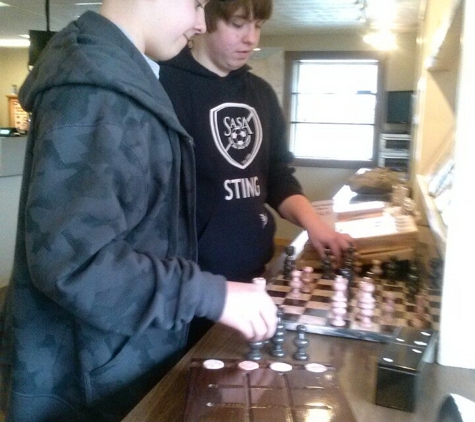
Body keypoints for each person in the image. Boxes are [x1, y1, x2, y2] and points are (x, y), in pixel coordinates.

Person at [0, 1, 278, 421]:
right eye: (197, 4)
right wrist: (211, 293)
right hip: (89, 376)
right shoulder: (93, 88)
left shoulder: (125, 76)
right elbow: (75, 264)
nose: (200, 22)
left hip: (118, 354)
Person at [159, 0, 353, 346]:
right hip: (188, 289)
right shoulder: (163, 86)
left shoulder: (260, 94)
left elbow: (277, 176)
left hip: (253, 276)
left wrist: (315, 225)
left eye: (258, 25)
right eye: (237, 24)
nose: (250, 38)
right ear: (203, 18)